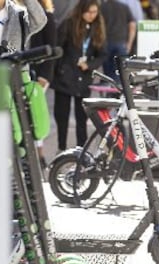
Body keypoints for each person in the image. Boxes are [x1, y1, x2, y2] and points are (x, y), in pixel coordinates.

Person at [51, 0, 106, 152]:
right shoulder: (69, 24)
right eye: (89, 12)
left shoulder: (97, 27)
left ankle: (81, 150)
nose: (92, 16)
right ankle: (61, 148)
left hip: (84, 78)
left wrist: (90, 65)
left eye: (95, 12)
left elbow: (102, 54)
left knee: (81, 117)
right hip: (65, 76)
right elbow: (58, 48)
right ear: (81, 11)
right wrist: (57, 70)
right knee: (62, 116)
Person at [28, 0, 56, 169]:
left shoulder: (47, 16)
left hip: (39, 74)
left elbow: (51, 48)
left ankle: (39, 155)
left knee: (35, 114)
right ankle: (33, 154)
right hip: (23, 71)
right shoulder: (17, 13)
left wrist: (45, 75)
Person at [99, 0, 135, 81]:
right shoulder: (124, 7)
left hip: (106, 43)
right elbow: (132, 26)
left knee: (108, 73)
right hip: (121, 43)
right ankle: (118, 91)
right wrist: (129, 44)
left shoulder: (102, 7)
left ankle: (110, 91)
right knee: (121, 72)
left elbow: (98, 26)